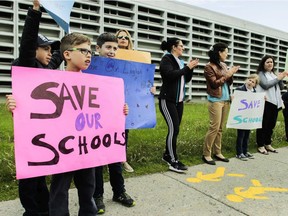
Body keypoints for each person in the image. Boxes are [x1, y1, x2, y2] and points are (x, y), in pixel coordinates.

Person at [6, 1, 62, 215]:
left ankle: (43, 208)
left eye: (51, 50)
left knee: (40, 174)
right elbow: (28, 41)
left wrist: (69, 46)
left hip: (42, 132)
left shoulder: (45, 68)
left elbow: (59, 56)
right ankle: (31, 211)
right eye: (45, 48)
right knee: (30, 176)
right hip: (28, 134)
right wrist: (35, 12)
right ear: (34, 50)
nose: (50, 53)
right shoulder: (27, 64)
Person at [48, 32, 97, 216]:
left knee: (88, 186)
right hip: (63, 146)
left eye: (90, 51)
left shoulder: (95, 84)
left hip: (87, 146)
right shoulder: (53, 81)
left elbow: (105, 110)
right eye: (83, 51)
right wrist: (14, 105)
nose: (89, 55)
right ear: (67, 54)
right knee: (60, 188)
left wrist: (120, 110)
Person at [93, 32, 135, 214]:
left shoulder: (121, 69)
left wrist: (147, 87)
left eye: (115, 48)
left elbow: (132, 89)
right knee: (97, 161)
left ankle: (119, 192)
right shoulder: (90, 66)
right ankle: (97, 195)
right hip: (94, 121)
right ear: (98, 49)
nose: (112, 51)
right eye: (108, 47)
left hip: (116, 120)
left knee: (116, 158)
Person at [159, 37, 199, 173]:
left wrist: (190, 68)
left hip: (179, 102)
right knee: (173, 129)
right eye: (181, 46)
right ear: (174, 47)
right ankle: (172, 159)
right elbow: (169, 75)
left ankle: (167, 155)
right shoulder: (167, 59)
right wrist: (187, 67)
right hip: (167, 100)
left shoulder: (181, 62)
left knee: (176, 129)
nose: (183, 48)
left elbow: (186, 78)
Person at [202, 42, 239, 165]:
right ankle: (206, 154)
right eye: (226, 52)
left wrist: (231, 74)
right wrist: (228, 74)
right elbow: (214, 83)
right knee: (214, 127)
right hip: (215, 100)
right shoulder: (209, 66)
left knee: (220, 129)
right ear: (219, 52)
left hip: (225, 99)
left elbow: (228, 81)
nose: (227, 55)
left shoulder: (223, 65)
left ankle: (218, 152)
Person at [256, 55, 288, 154]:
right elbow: (265, 85)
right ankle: (260, 145)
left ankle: (267, 143)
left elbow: (281, 87)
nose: (270, 64)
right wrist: (278, 78)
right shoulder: (261, 74)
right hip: (266, 102)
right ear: (263, 64)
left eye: (271, 62)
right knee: (263, 124)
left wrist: (281, 78)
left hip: (275, 102)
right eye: (268, 62)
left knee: (271, 125)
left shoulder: (273, 74)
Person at [115, 29, 134, 173]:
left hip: (128, 96)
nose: (122, 39)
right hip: (112, 95)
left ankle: (122, 159)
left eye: (125, 37)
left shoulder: (134, 58)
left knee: (124, 128)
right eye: (119, 37)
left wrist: (149, 88)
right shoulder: (110, 56)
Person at [234, 74, 259, 161]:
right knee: (241, 135)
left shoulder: (254, 92)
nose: (250, 82)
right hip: (241, 116)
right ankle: (239, 153)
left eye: (253, 82)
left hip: (249, 117)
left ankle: (245, 151)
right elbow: (235, 103)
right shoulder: (240, 89)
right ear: (246, 79)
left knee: (247, 135)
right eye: (249, 80)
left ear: (255, 84)